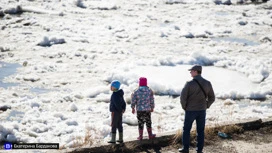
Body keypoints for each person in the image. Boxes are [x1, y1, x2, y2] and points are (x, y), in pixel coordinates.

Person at [179, 65, 215, 153]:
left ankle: (185, 149)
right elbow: (212, 98)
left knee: (186, 130)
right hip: (202, 111)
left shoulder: (189, 84)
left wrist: (185, 107)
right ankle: (199, 150)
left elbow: (182, 98)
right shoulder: (207, 83)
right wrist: (206, 106)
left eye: (191, 71)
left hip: (190, 110)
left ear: (196, 71)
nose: (190, 72)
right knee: (201, 131)